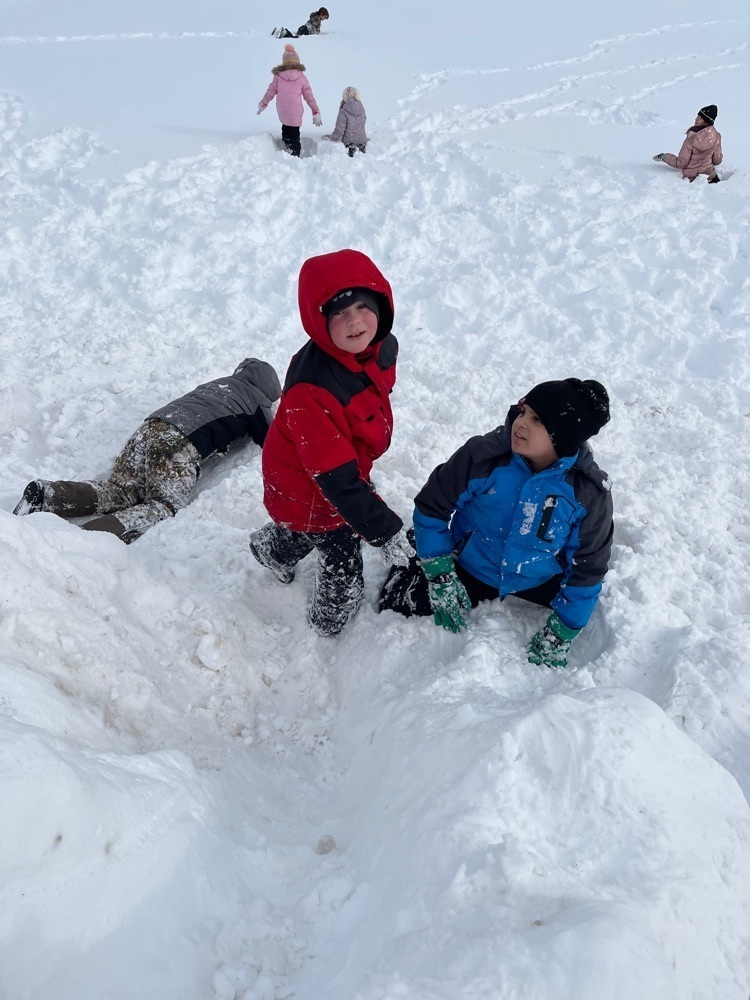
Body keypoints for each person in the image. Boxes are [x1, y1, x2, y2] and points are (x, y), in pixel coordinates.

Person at [379, 379, 614, 669]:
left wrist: (563, 631)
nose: (521, 422)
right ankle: (423, 552)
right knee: (398, 604)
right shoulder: (483, 457)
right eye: (523, 410)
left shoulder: (587, 493)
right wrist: (440, 572)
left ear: (562, 436)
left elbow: (588, 567)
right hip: (474, 564)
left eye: (537, 419)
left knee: (579, 606)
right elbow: (432, 506)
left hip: (537, 578)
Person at [250, 249, 414, 637]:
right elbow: (336, 483)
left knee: (309, 530)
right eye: (338, 312)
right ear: (318, 321)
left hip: (337, 466)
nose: (354, 321)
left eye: (362, 305)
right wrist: (385, 532)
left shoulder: (382, 348)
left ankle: (272, 547)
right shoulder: (313, 388)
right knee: (340, 552)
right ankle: (329, 625)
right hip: (307, 483)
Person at [13, 358, 281, 544]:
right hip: (178, 444)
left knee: (118, 490)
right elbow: (272, 439)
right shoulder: (256, 401)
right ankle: (84, 539)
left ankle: (47, 495)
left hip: (150, 429)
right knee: (163, 508)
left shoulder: (217, 384)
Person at [257, 44, 322, 157]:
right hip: (295, 112)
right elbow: (309, 96)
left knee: (286, 130)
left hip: (283, 111)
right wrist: (315, 110)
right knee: (294, 135)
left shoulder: (278, 77)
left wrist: (263, 103)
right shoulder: (302, 78)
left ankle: (286, 150)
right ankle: (295, 155)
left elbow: (270, 92)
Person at [652, 104, 722, 183]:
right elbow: (717, 161)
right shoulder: (717, 137)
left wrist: (664, 157)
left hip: (692, 180)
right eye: (697, 117)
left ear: (706, 121)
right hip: (710, 177)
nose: (696, 119)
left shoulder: (692, 138)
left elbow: (681, 163)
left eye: (700, 118)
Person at [325, 86, 368, 157]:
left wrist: (333, 137)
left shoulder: (344, 110)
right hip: (362, 139)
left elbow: (339, 129)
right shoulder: (362, 108)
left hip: (349, 141)